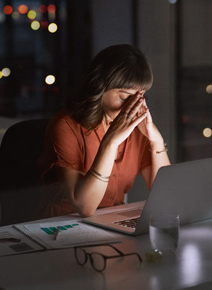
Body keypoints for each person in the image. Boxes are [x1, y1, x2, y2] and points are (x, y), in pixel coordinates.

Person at [33, 44, 171, 219]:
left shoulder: (137, 130)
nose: (133, 105)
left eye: (141, 95)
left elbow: (167, 194)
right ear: (100, 87)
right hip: (61, 225)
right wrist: (111, 142)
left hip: (110, 221)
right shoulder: (65, 126)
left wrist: (156, 140)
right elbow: (85, 207)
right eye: (125, 96)